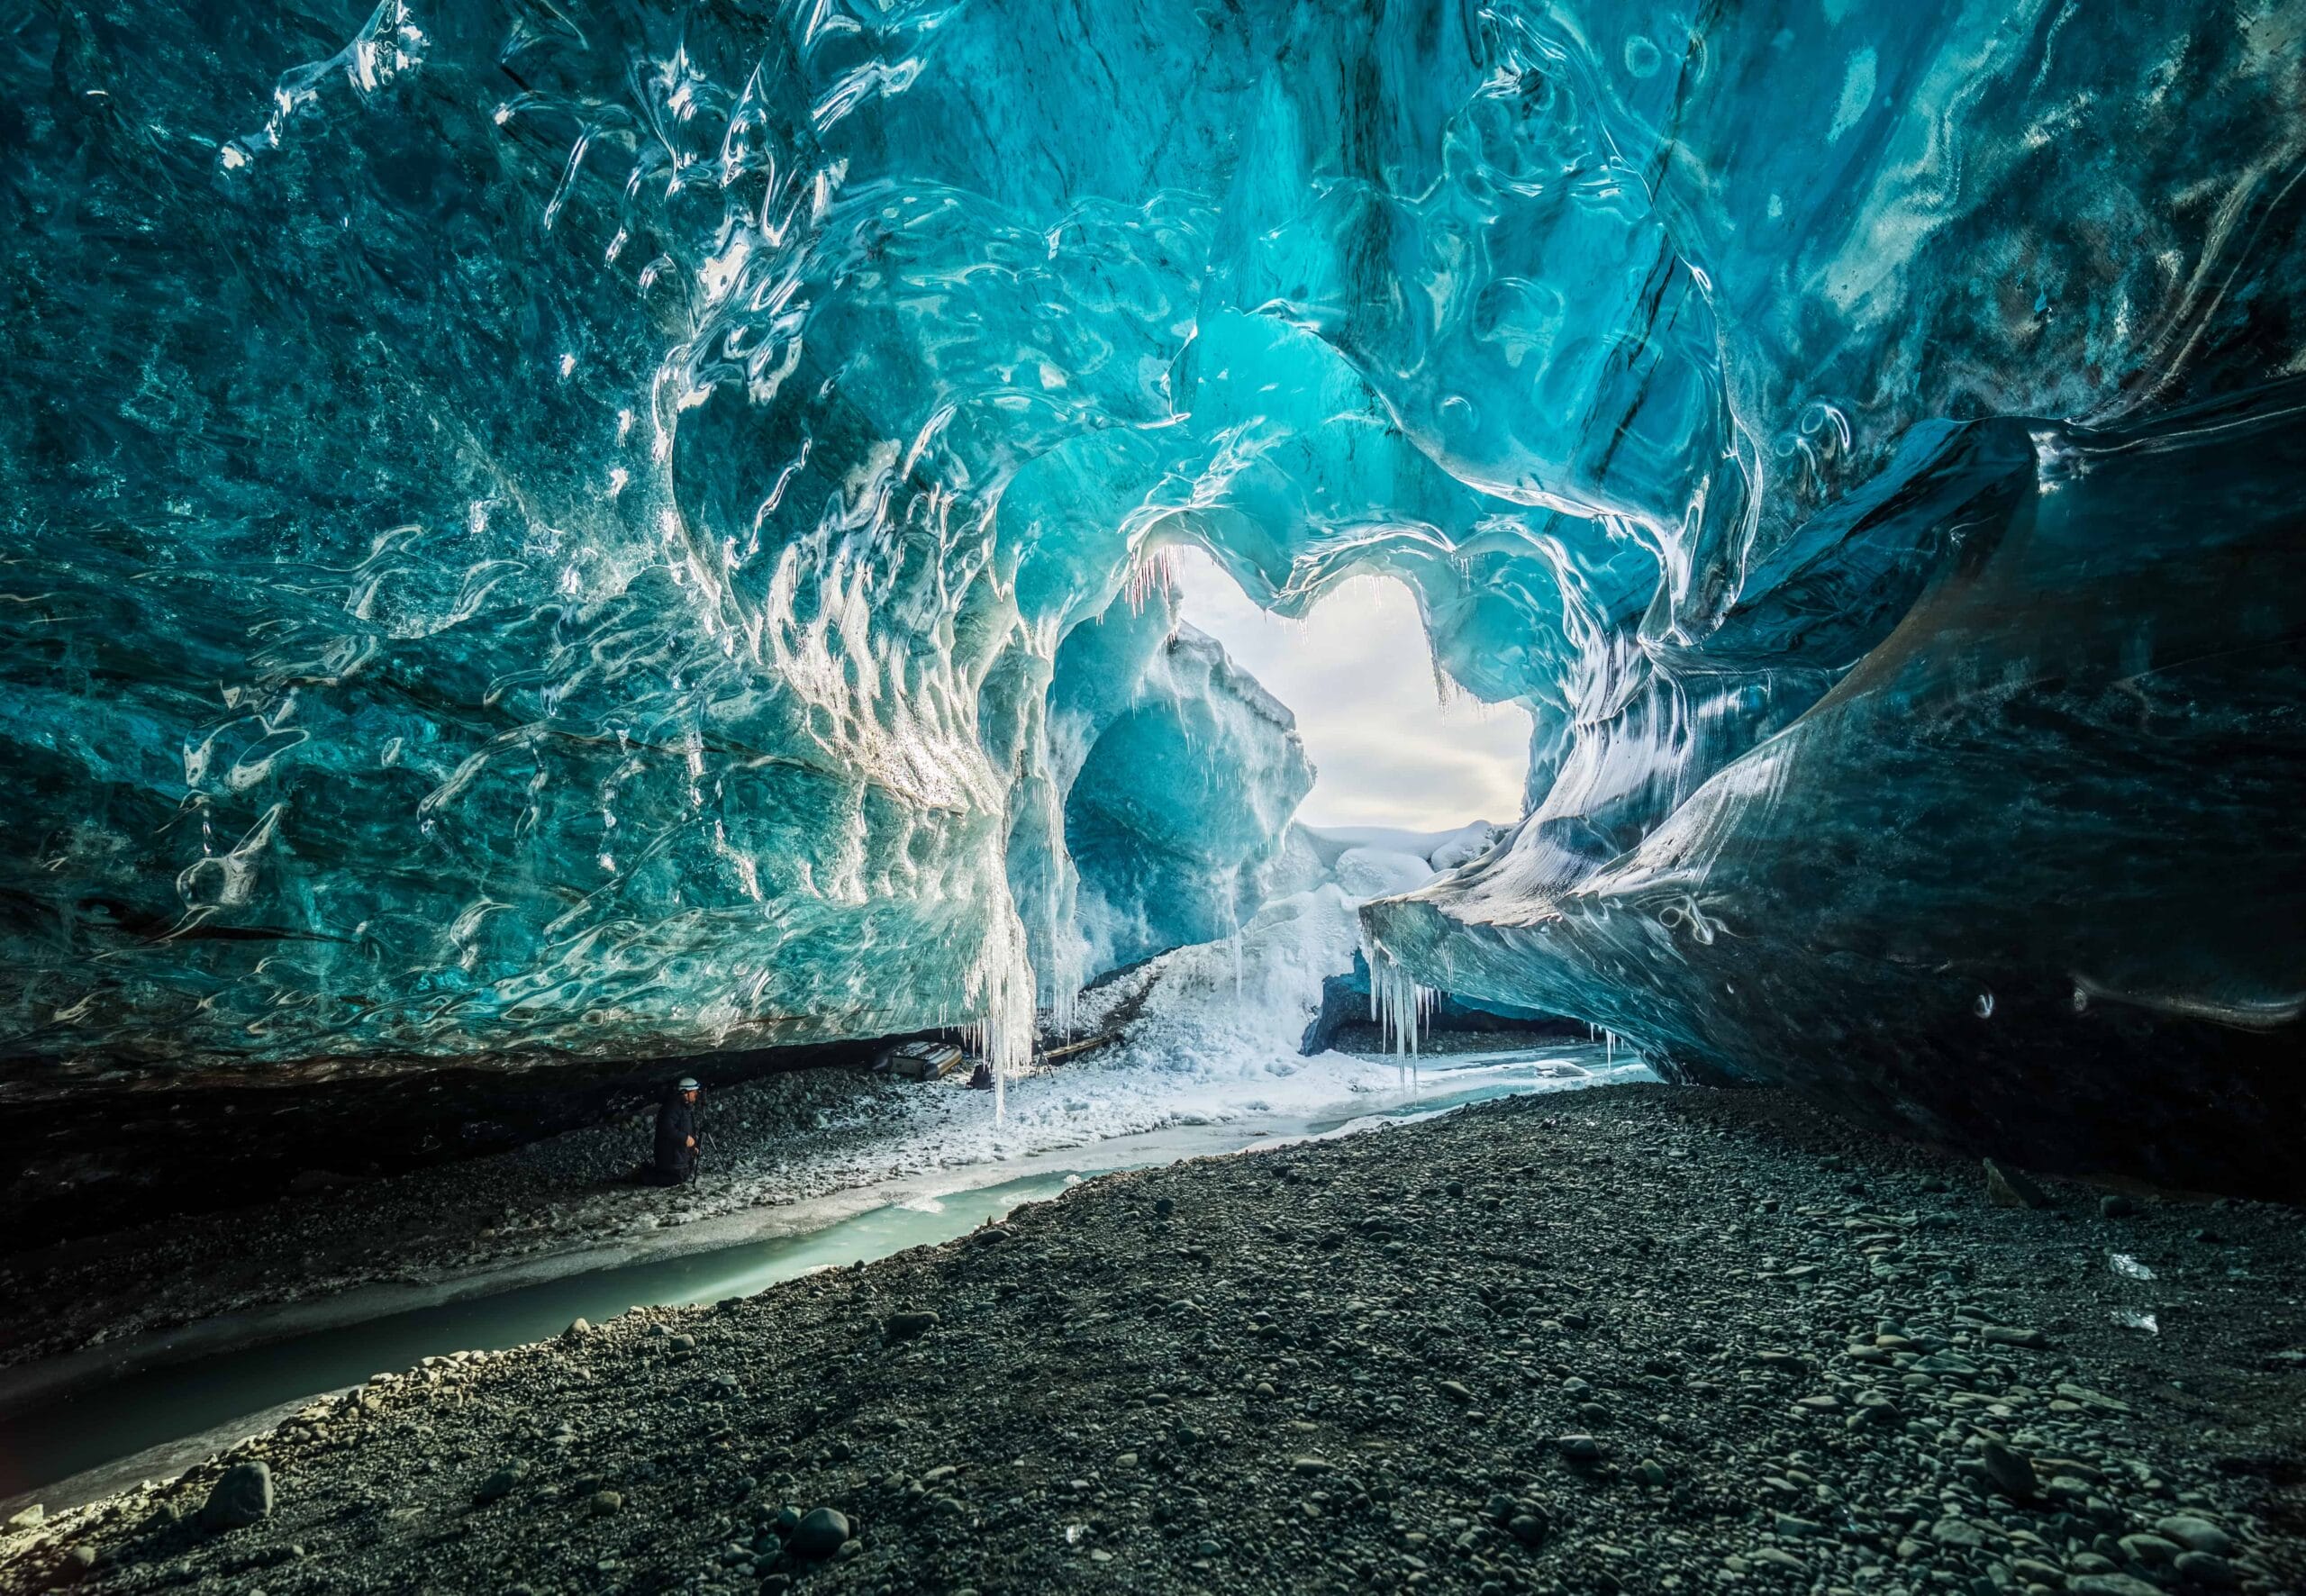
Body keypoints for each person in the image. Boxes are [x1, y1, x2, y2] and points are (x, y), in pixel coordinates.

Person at [649, 1076, 702, 1186]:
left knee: (683, 1175)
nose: (696, 1094)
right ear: (685, 1092)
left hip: (679, 1155)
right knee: (675, 1179)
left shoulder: (685, 1107)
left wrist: (693, 1146)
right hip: (671, 1156)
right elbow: (666, 1129)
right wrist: (685, 1138)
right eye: (694, 1092)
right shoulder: (672, 1107)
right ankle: (646, 1175)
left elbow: (688, 1129)